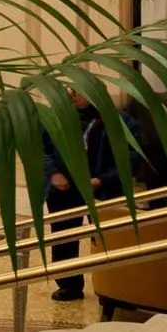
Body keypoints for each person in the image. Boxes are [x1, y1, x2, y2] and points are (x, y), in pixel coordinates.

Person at [41, 89, 112, 302]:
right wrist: (53, 173)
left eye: (79, 91)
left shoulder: (112, 120)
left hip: (99, 188)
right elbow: (39, 149)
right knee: (64, 238)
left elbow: (129, 156)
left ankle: (110, 288)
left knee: (104, 239)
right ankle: (69, 286)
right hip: (64, 188)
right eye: (70, 92)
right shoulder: (53, 119)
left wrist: (102, 179)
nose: (74, 96)